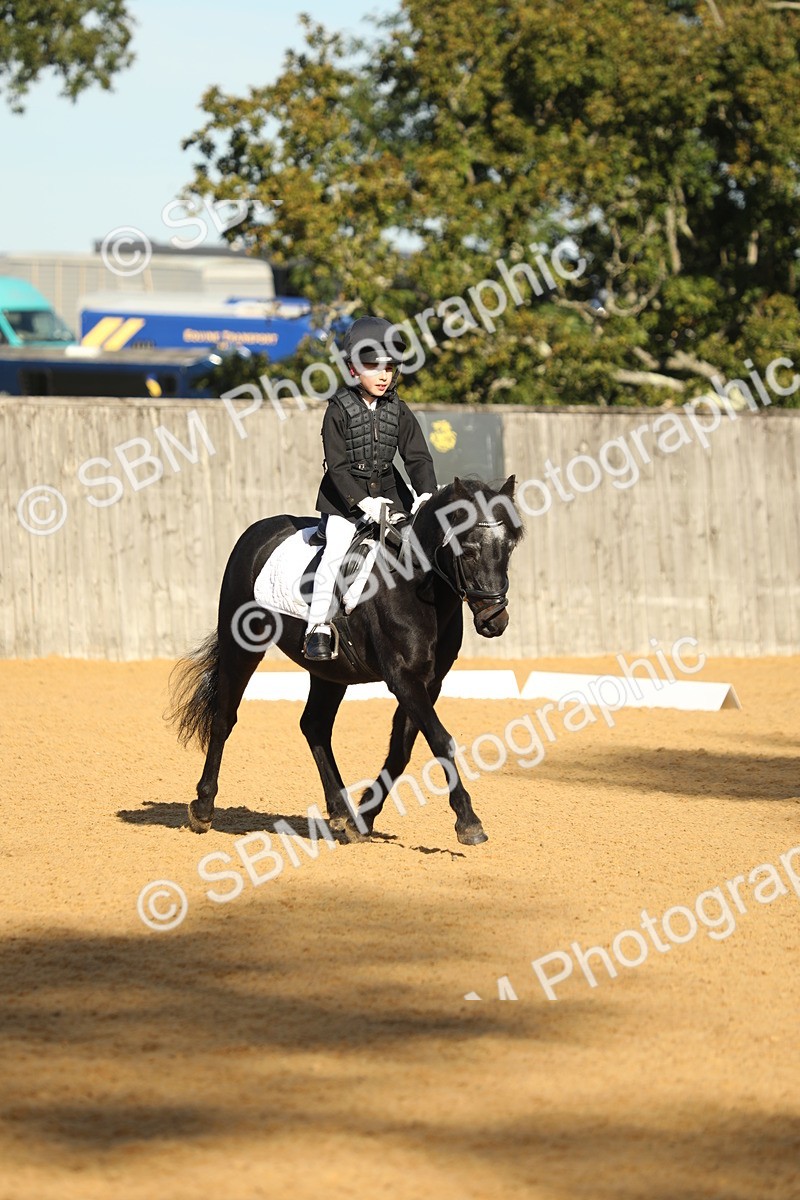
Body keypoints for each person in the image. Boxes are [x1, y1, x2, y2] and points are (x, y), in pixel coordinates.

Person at [303, 315, 438, 661]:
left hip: (393, 497)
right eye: (372, 366)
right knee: (335, 550)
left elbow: (418, 459)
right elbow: (336, 467)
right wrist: (363, 503)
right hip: (343, 501)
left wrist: (425, 493)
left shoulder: (400, 410)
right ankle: (317, 627)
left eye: (389, 367)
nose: (382, 375)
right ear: (352, 369)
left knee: (419, 549)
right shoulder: (337, 411)